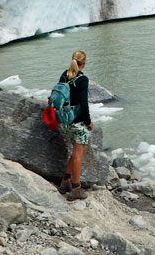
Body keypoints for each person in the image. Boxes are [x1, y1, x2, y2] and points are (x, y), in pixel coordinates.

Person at [58, 50, 93, 201]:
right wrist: (89, 121)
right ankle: (76, 188)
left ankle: (65, 181)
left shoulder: (64, 75)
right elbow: (84, 104)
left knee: (75, 151)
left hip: (66, 120)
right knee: (79, 154)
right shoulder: (82, 79)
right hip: (78, 121)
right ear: (83, 63)